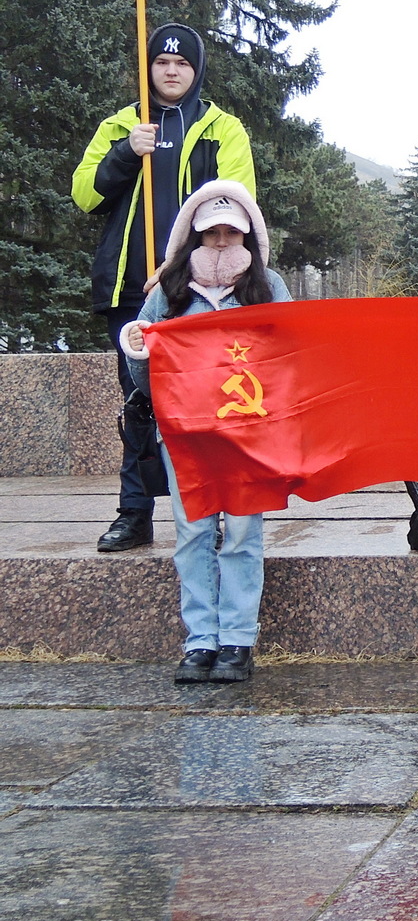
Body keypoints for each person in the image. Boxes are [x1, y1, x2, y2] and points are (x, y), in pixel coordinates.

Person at [73, 23, 256, 554]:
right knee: (139, 401)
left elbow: (237, 203)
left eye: (182, 63)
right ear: (148, 67)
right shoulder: (120, 125)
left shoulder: (223, 129)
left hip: (201, 288)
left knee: (208, 397)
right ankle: (134, 513)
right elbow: (84, 194)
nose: (171, 71)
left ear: (196, 70)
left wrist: (175, 265)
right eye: (161, 62)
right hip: (131, 286)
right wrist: (126, 152)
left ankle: (211, 507)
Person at [119, 181, 288, 684]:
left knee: (242, 533)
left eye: (230, 232)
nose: (220, 241)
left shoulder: (268, 286)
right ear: (194, 236)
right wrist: (137, 349)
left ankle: (237, 640)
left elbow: (289, 356)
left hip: (248, 436)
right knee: (193, 534)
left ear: (247, 236)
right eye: (211, 233)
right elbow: (145, 375)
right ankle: (199, 641)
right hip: (185, 435)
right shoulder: (167, 292)